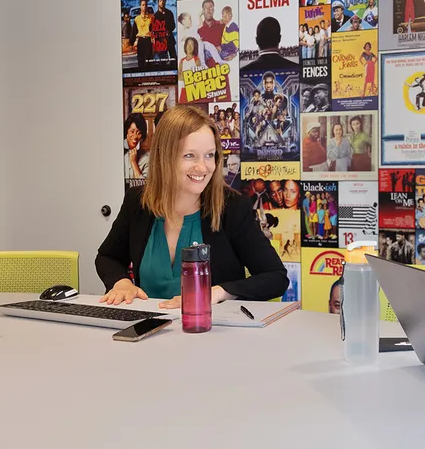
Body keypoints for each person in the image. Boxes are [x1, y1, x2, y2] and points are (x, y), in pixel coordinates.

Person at [96, 105, 289, 308]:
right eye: (190, 155)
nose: (203, 167)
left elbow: (275, 277)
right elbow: (108, 257)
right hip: (147, 328)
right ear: (165, 157)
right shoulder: (138, 201)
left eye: (209, 155)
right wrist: (121, 282)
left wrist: (218, 293)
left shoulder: (232, 206)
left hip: (210, 331)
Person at [123, 113, 150, 182]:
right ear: (127, 131)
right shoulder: (117, 151)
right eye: (132, 131)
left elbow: (144, 187)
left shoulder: (146, 158)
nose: (135, 136)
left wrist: (134, 162)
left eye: (139, 133)